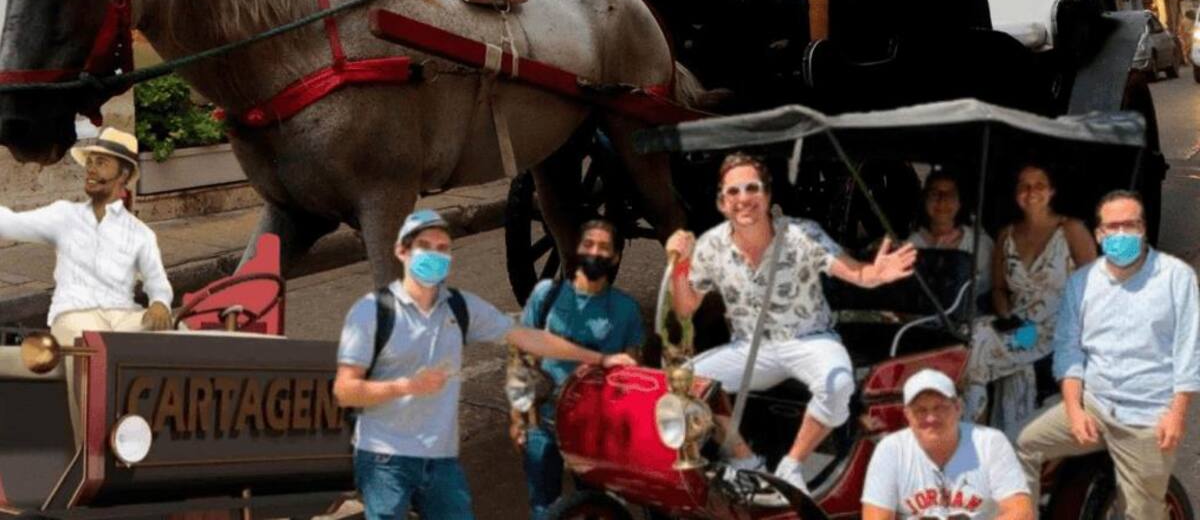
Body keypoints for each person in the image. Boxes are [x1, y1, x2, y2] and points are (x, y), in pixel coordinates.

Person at [334, 209, 636, 520]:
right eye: (424, 247)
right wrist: (406, 386)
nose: (434, 257)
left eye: (442, 249)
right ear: (401, 252)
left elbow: (527, 338)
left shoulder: (458, 307)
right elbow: (345, 391)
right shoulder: (371, 313)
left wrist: (599, 358)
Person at [666, 153, 917, 495]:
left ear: (767, 195)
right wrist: (681, 264)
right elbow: (686, 306)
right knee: (685, 384)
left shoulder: (802, 234)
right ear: (723, 202)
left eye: (751, 188)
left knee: (839, 383)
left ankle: (793, 465)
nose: (743, 199)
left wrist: (876, 273)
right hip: (753, 347)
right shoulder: (713, 245)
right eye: (733, 191)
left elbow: (853, 271)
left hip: (810, 340)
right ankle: (745, 461)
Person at [1017, 191, 1199, 519]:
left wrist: (1176, 414)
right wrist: (1074, 409)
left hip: (1145, 418)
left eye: (1128, 225)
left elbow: (1189, 355)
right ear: (1099, 235)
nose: (1120, 235)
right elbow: (1069, 351)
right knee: (1022, 445)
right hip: (1095, 404)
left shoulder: (1176, 279)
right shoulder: (1083, 282)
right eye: (1111, 227)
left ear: (1142, 229)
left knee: (1141, 512)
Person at [511, 218, 644, 520]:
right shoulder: (546, 295)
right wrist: (519, 418)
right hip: (543, 425)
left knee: (598, 505)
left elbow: (633, 373)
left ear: (616, 257)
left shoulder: (626, 310)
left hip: (594, 429)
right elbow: (522, 358)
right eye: (588, 245)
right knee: (544, 506)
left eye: (603, 248)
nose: (594, 253)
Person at [0, 127, 173, 342]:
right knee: (92, 342)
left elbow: (158, 283)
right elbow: (9, 223)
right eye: (90, 162)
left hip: (122, 315)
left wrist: (160, 303)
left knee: (176, 331)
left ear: (124, 174)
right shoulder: (65, 215)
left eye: (101, 163)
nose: (90, 169)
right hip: (74, 313)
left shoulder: (141, 233)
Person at [963, 164, 1095, 434]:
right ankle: (989, 431)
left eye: (1039, 185)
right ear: (1016, 194)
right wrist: (1007, 318)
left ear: (1051, 191)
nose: (1031, 192)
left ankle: (972, 432)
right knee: (975, 333)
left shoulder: (1071, 230)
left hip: (1057, 328)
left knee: (979, 345)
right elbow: (999, 289)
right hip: (1021, 326)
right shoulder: (1007, 235)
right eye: (1024, 186)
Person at [861, 369, 1034, 520]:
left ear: (958, 407)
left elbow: (1021, 512)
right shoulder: (890, 449)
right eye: (921, 410)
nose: (931, 418)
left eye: (940, 407)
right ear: (907, 415)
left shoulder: (990, 442)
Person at [907, 170, 994, 298]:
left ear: (960, 202)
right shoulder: (911, 244)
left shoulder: (979, 244)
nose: (942, 201)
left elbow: (986, 291)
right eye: (935, 194)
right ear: (925, 200)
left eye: (950, 195)